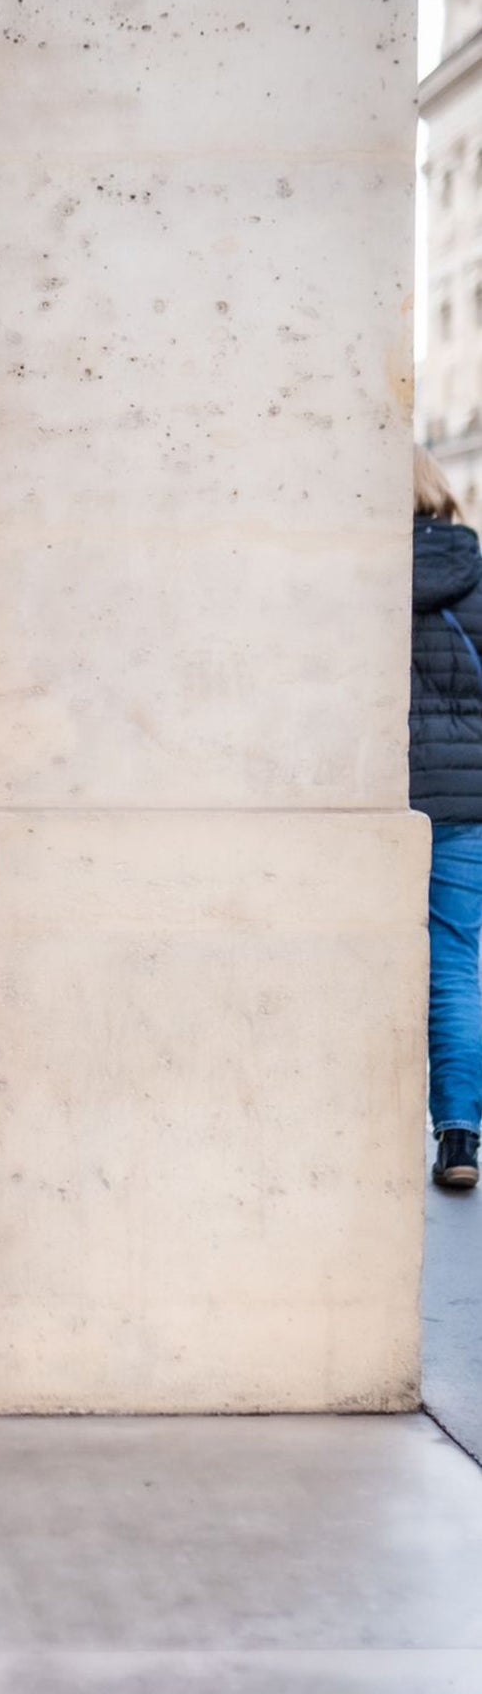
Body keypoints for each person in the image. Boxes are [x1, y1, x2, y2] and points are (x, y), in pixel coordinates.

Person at [411, 444, 482, 1191]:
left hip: (380, 789)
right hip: (464, 798)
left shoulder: (365, 575)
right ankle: (457, 1137)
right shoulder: (475, 571)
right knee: (453, 965)